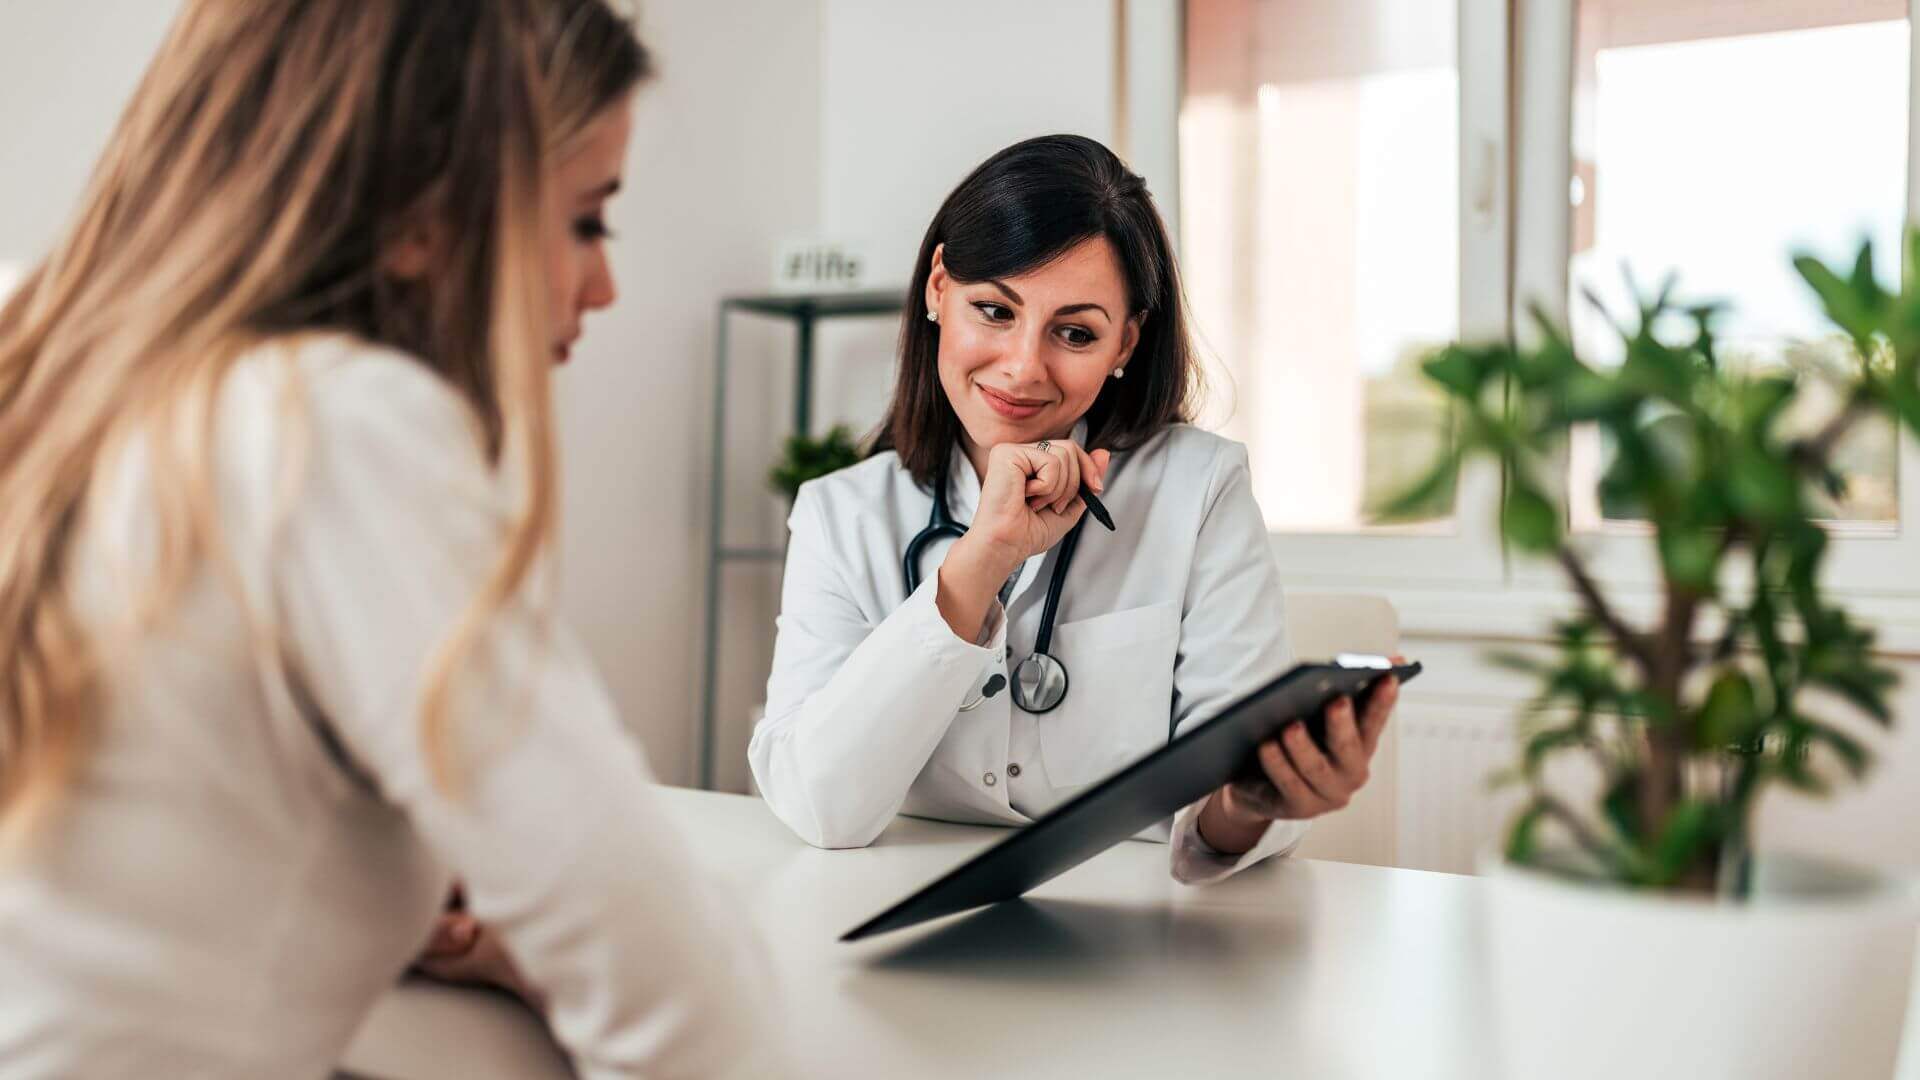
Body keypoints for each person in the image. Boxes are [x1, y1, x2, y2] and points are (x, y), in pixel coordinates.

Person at [0, 2, 784, 1076]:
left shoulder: (41, 361)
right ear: (422, 217)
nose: (602, 287)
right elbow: (683, 1002)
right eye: (586, 222)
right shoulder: (328, 426)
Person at [749, 134, 1400, 882]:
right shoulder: (841, 515)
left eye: (1076, 333)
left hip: (1140, 936)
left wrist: (1254, 802)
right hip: (893, 914)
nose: (1024, 367)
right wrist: (979, 561)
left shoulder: (1199, 488)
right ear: (937, 289)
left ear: (1127, 340)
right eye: (994, 310)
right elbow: (819, 807)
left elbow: (1215, 805)